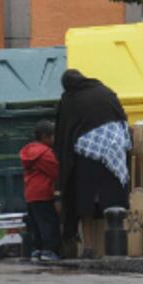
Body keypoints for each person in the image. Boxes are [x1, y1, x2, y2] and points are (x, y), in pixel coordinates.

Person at [54, 69, 131, 259]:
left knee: (84, 201)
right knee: (112, 199)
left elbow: (63, 132)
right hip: (114, 153)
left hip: (85, 156)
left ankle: (89, 246)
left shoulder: (70, 99)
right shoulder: (105, 91)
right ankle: (115, 244)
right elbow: (123, 119)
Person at [19, 120, 61, 262]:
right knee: (48, 223)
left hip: (31, 193)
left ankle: (38, 250)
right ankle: (49, 251)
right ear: (45, 137)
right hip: (43, 193)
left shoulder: (29, 151)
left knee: (36, 224)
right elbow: (56, 172)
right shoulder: (45, 154)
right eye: (53, 136)